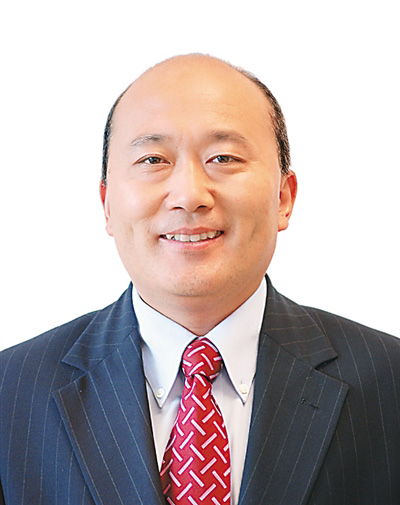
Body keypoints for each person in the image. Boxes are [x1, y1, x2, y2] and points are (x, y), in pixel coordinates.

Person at [1, 54, 399, 505]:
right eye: (153, 159)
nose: (190, 195)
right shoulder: (10, 393)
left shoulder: (390, 382)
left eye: (223, 158)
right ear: (107, 204)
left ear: (284, 198)